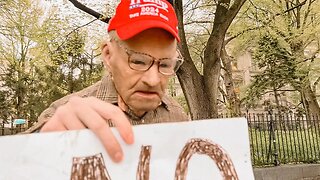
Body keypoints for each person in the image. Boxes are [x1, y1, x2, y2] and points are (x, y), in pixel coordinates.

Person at [24, 0, 189, 163]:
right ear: (108, 55)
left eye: (166, 64)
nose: (153, 80)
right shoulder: (67, 115)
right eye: (138, 61)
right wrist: (40, 144)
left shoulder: (177, 115)